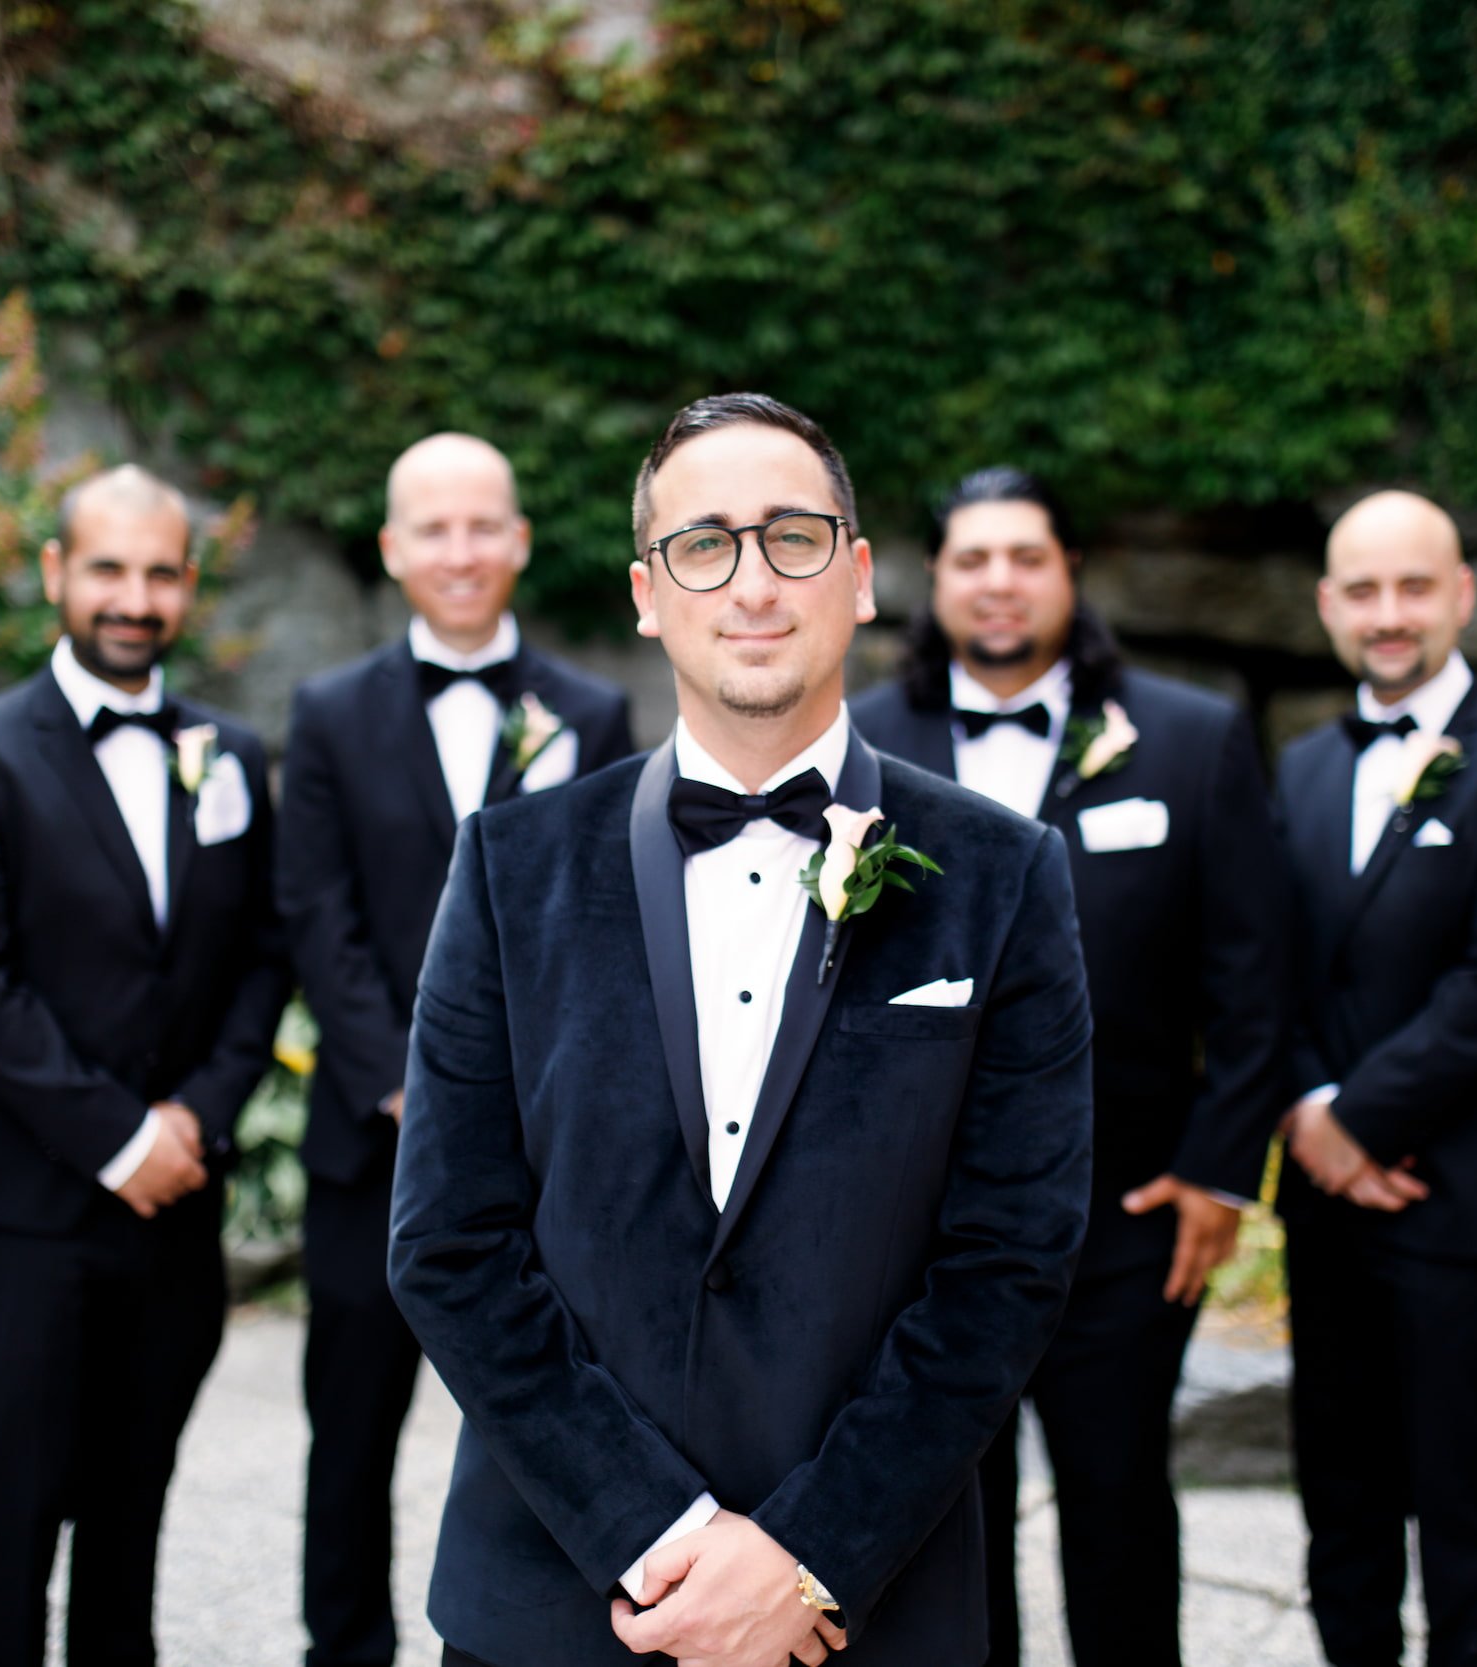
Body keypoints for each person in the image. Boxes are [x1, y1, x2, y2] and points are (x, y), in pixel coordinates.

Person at [387, 393, 1095, 1666]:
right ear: (649, 592)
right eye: (704, 544)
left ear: (863, 576)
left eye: (794, 537)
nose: (752, 582)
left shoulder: (1001, 875)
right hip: (559, 1604)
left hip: (860, 1614)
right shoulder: (508, 866)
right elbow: (450, 1240)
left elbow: (1010, 1259)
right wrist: (658, 1531)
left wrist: (808, 1553)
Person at [850, 466, 1288, 1666]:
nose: (999, 581)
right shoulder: (858, 747)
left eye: (1025, 556)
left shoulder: (1192, 740)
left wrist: (1218, 1170)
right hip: (912, 1223)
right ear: (931, 581)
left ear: (1069, 574)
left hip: (1125, 1212)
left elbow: (1252, 980)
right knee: (938, 1521)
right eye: (973, 558)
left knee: (1119, 1505)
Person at [0, 465, 289, 1666]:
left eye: (160, 571)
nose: (135, 595)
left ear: (187, 587)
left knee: (137, 1495)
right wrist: (122, 1138)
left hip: (177, 1204)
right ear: (58, 574)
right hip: (24, 1206)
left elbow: (262, 955)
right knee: (17, 1495)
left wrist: (200, 1118)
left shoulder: (227, 751)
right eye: (109, 568)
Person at [280, 432, 631, 1665]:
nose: (461, 550)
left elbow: (604, 925)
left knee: (546, 1425)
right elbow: (316, 918)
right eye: (433, 528)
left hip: (546, 1157)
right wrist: (409, 1086)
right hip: (369, 1151)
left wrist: (523, 1103)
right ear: (391, 549)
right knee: (351, 1437)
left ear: (521, 540)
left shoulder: (591, 712)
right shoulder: (326, 715)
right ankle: (348, 1649)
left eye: (484, 524)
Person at [1272, 490, 1477, 1667]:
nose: (1389, 612)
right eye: (1362, 590)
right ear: (1327, 606)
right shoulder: (1298, 769)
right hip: (1325, 1201)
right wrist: (1310, 1113)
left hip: (1458, 1195)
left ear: (1461, 594)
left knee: (1463, 1501)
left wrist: (1353, 1121)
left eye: (1414, 586)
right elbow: (1270, 970)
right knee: (1340, 1493)